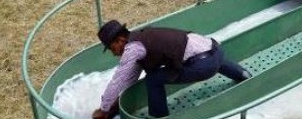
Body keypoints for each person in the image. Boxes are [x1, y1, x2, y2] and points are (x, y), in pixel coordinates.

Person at [91, 20, 251, 119]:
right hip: (216, 50)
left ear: (120, 40)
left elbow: (119, 79)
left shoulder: (133, 49)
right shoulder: (143, 37)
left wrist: (104, 109)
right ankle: (243, 74)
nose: (114, 53)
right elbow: (131, 76)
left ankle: (159, 117)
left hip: (204, 65)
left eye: (112, 48)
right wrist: (116, 102)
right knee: (212, 57)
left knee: (153, 79)